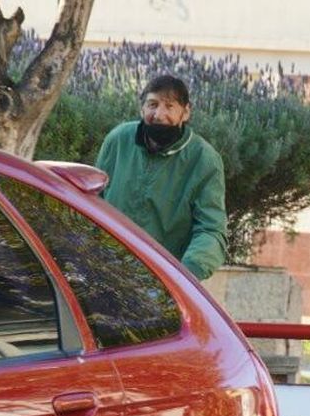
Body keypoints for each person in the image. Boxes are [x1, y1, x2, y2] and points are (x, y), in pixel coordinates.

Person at [95, 74, 228, 280]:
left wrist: (186, 276)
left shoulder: (204, 160)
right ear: (142, 108)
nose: (159, 114)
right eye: (152, 104)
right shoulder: (118, 140)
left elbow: (211, 229)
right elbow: (94, 201)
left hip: (163, 282)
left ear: (185, 112)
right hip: (106, 272)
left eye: (169, 106)